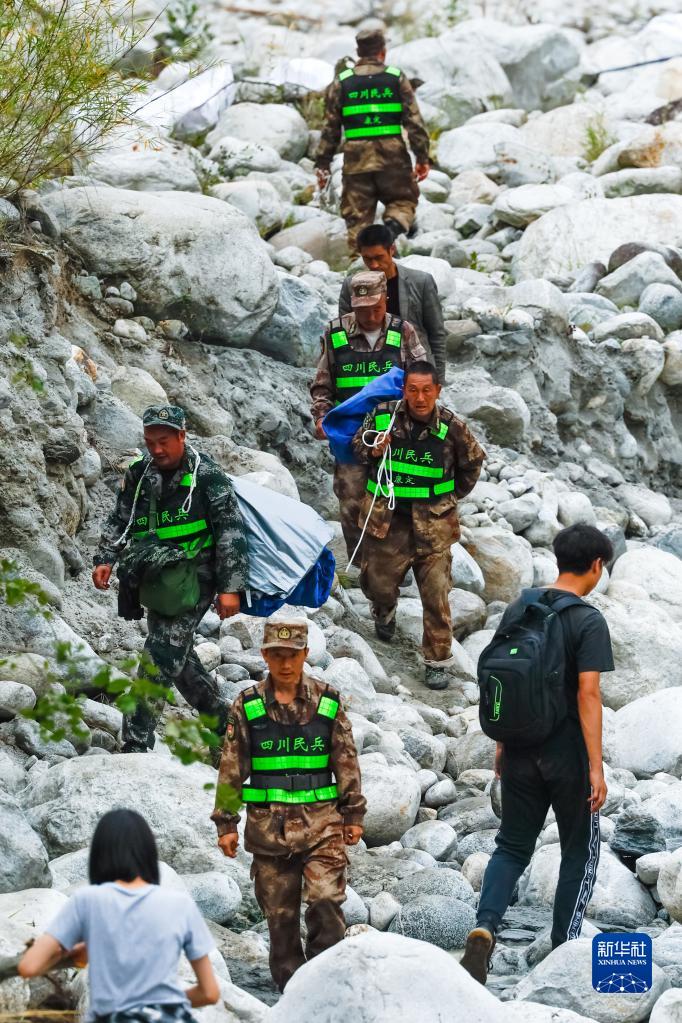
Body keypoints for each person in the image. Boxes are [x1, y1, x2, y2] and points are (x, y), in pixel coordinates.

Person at [460, 524, 615, 986]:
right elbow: (588, 695)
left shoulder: (520, 607)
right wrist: (595, 767)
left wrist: (502, 743)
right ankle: (564, 948)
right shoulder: (587, 620)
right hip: (566, 753)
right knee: (579, 850)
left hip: (519, 746)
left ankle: (485, 926)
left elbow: (503, 683)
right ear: (596, 566)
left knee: (511, 846)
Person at [211, 614, 366, 993]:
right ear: (265, 655)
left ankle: (326, 983)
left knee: (326, 900)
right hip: (269, 833)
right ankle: (293, 994)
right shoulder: (248, 706)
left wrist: (353, 813)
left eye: (292, 655)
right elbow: (231, 767)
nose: (285, 663)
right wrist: (226, 823)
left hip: (322, 826)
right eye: (277, 655)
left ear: (305, 654)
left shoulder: (327, 703)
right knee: (279, 918)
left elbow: (346, 760)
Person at [92, 404, 249, 754]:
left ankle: (136, 741)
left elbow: (231, 533)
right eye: (150, 442)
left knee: (160, 653)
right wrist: (105, 558)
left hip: (198, 576)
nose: (157, 450)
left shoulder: (207, 476)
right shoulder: (139, 474)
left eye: (164, 441)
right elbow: (120, 518)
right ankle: (228, 727)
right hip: (157, 577)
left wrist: (230, 589)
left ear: (182, 436)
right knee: (177, 656)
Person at [351, 362, 485, 690]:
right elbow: (357, 447)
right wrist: (373, 449)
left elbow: (473, 463)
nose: (420, 398)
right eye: (413, 390)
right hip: (388, 518)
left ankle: (437, 661)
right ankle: (384, 611)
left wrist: (448, 497)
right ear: (404, 390)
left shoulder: (453, 427)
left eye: (427, 390)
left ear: (437, 391)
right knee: (378, 584)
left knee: (437, 594)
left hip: (434, 524)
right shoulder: (382, 416)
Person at [18, 808, 220, 1022]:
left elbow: (28, 966)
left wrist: (73, 955)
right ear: (149, 854)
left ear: (99, 855)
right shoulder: (181, 905)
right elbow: (209, 993)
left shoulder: (87, 900)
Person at [311, 269, 429, 561]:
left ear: (385, 299)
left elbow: (421, 379)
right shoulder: (335, 333)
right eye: (362, 310)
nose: (369, 316)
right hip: (350, 434)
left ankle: (394, 565)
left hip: (394, 433)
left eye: (375, 308)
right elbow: (322, 383)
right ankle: (359, 565)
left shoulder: (403, 332)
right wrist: (321, 417)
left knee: (397, 497)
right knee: (352, 500)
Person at [315, 27, 430, 252]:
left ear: (358, 52)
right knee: (403, 202)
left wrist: (323, 164)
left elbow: (330, 129)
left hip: (356, 161)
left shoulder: (342, 81)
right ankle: (389, 232)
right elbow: (414, 122)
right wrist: (423, 157)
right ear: (382, 52)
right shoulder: (396, 78)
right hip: (393, 159)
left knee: (357, 218)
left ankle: (362, 264)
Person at [339, 223, 447, 384]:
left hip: (415, 366)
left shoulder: (421, 282)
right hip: (371, 368)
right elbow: (344, 331)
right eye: (367, 258)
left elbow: (436, 333)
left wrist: (438, 380)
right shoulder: (352, 286)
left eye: (379, 257)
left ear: (392, 249)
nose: (374, 265)